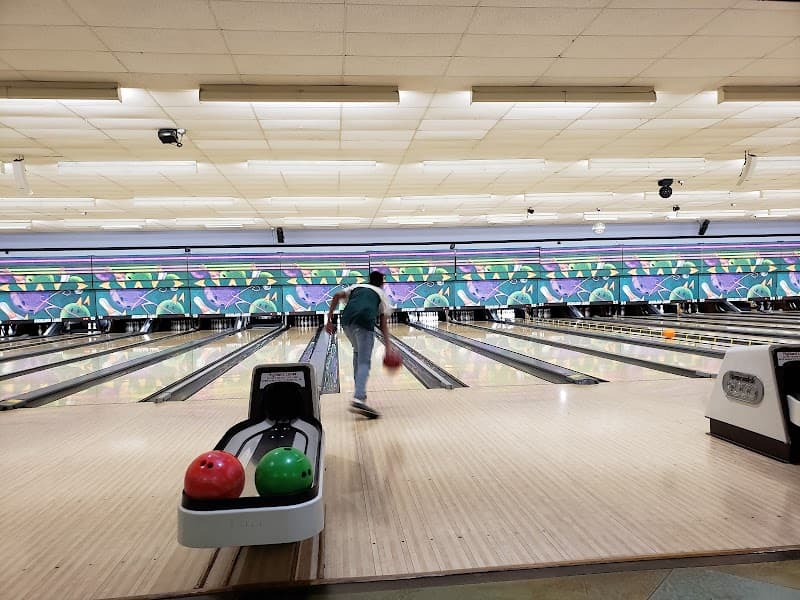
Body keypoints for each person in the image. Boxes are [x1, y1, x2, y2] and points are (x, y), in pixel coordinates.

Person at [325, 270, 393, 419]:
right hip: (364, 323)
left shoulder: (356, 287)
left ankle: (359, 391)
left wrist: (329, 320)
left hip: (347, 322)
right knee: (364, 362)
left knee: (357, 352)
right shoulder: (382, 295)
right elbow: (383, 325)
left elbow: (336, 296)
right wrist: (388, 347)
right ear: (382, 283)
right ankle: (359, 397)